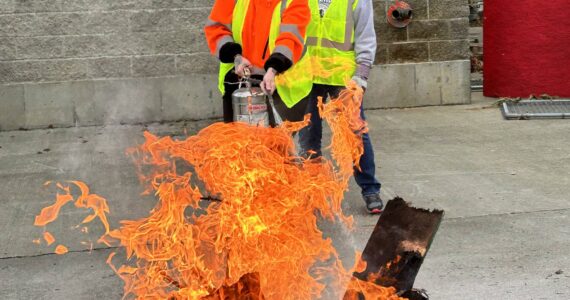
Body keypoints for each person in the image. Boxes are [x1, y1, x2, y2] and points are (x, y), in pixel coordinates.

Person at [297, 0, 383, 213]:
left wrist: (360, 78)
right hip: (306, 76)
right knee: (308, 136)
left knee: (355, 134)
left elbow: (366, 36)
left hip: (343, 78)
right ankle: (312, 190)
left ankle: (370, 189)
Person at [204, 0, 311, 124]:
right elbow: (216, 28)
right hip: (237, 82)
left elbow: (290, 39)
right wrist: (235, 56)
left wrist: (273, 70)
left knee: (272, 141)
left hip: (279, 85)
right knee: (236, 140)